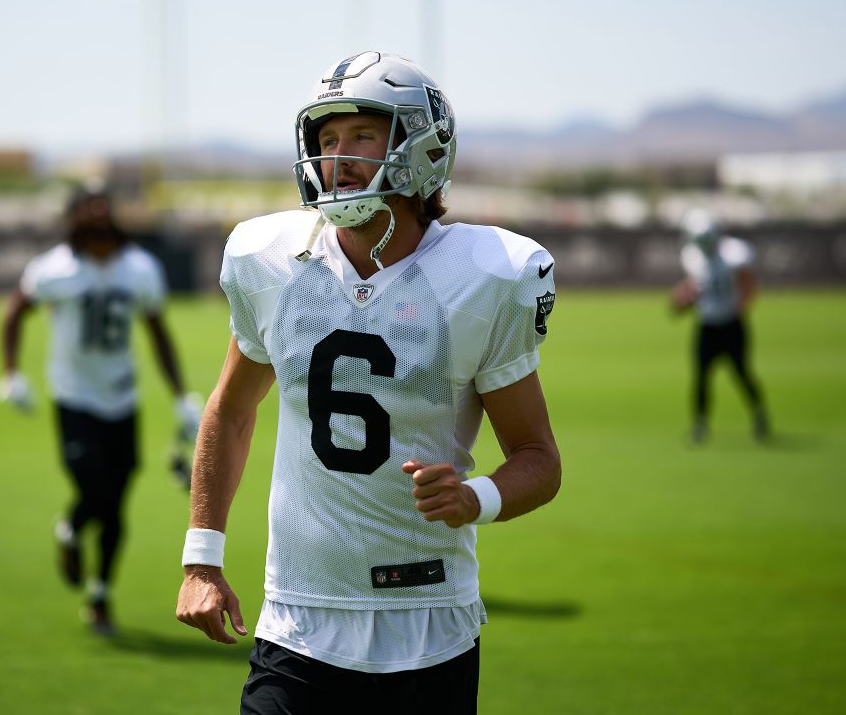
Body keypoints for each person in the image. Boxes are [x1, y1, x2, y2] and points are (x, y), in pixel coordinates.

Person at [174, 52, 562, 713]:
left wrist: (477, 498)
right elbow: (231, 412)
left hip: (428, 624)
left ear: (421, 145)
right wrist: (201, 559)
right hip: (297, 622)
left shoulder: (488, 275)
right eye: (326, 140)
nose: (338, 156)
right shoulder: (271, 261)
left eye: (361, 135)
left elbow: (539, 460)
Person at [0, 186, 202, 636]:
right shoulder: (54, 269)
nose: (98, 220)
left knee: (116, 504)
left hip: (122, 398)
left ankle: (100, 593)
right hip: (74, 397)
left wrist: (180, 394)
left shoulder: (140, 268)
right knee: (95, 488)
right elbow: (15, 312)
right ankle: (70, 528)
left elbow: (157, 332)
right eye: (88, 213)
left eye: (103, 211)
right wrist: (11, 372)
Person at [670, 209, 770, 443]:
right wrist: (683, 299)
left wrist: (736, 311)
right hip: (707, 325)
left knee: (741, 373)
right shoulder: (694, 257)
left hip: (731, 324)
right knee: (702, 376)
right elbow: (695, 286)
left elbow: (748, 286)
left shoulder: (734, 254)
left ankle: (759, 414)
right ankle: (700, 424)